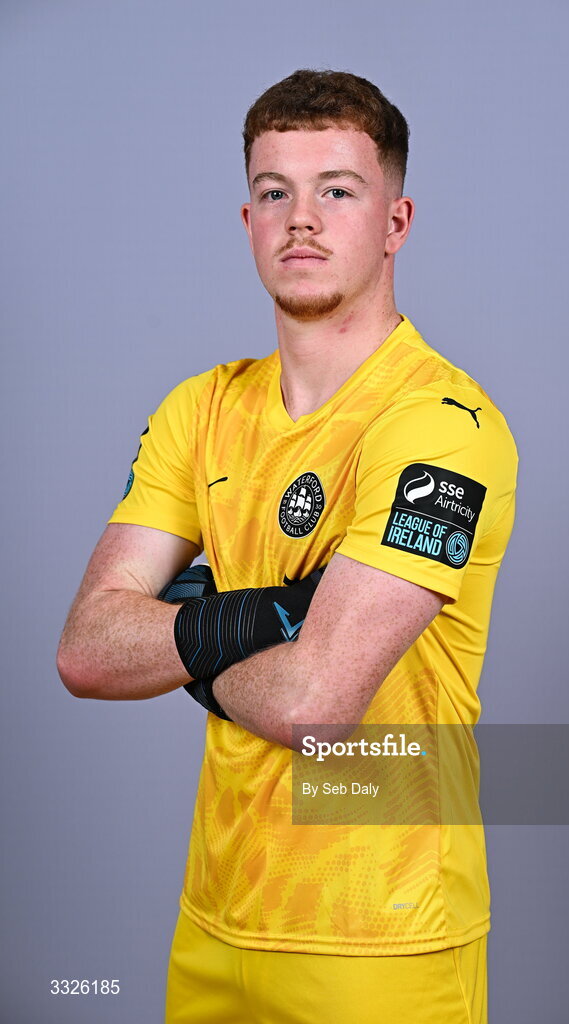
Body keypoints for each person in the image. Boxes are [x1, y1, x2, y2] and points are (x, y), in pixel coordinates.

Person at [57, 69, 518, 1024]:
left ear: (394, 222)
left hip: (381, 937)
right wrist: (274, 615)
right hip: (214, 922)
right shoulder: (200, 409)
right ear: (248, 221)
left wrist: (186, 623)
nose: (300, 218)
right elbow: (87, 651)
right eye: (275, 192)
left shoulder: (441, 426)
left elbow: (316, 705)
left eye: (336, 190)